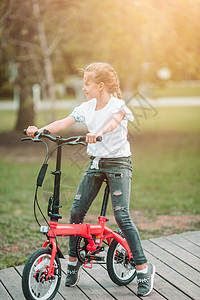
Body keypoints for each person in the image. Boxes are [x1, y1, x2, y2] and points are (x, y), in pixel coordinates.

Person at [26, 62, 155, 297]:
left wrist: (97, 133)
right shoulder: (86, 107)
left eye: (87, 84)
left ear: (101, 86)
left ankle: (143, 269)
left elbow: (113, 122)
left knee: (121, 215)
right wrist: (41, 130)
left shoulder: (118, 105)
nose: (84, 88)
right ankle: (73, 263)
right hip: (96, 163)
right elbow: (64, 122)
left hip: (118, 164)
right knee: (76, 213)